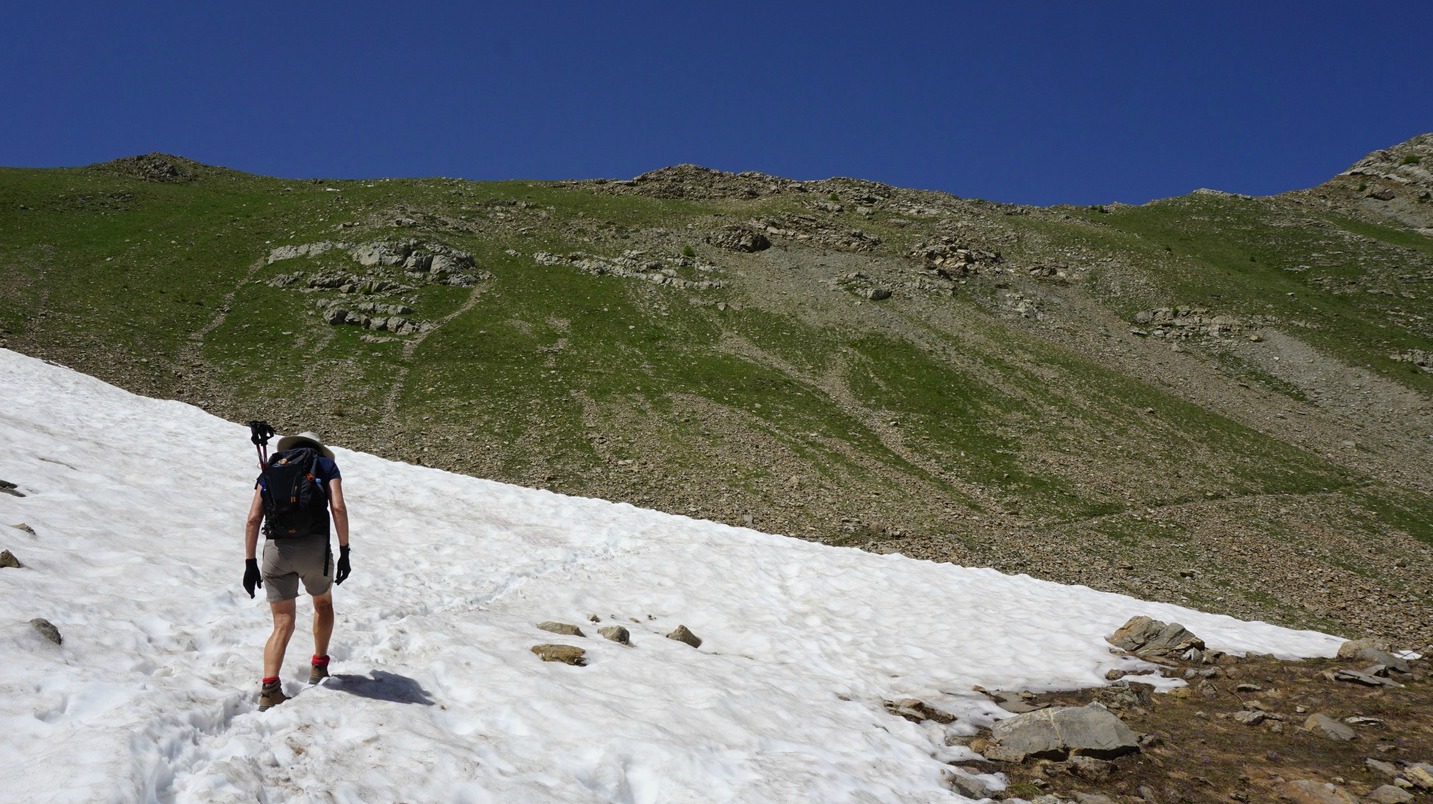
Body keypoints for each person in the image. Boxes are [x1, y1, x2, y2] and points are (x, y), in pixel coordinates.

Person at [242, 431, 351, 711]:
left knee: (282, 623)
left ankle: (270, 688)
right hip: (314, 548)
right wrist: (345, 550)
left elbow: (254, 518)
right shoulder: (325, 465)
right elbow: (337, 508)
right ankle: (318, 666)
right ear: (318, 448)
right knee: (323, 603)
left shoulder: (272, 468)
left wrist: (250, 563)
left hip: (276, 551)